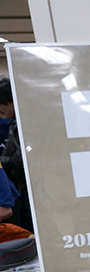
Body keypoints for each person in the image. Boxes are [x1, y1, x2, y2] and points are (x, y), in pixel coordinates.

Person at [0, 77, 33, 232]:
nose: (1, 111)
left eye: (2, 105)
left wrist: (1, 161)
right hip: (20, 187)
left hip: (26, 187)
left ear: (12, 102)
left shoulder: (25, 124)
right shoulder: (14, 123)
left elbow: (20, 158)